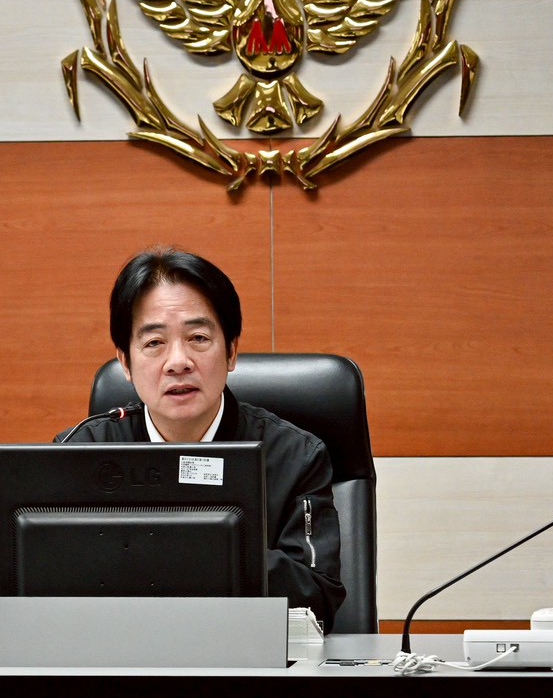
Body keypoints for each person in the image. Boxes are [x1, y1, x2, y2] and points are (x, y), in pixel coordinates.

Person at [59, 247, 346, 630]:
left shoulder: (294, 456)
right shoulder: (81, 454)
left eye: (197, 337)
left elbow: (318, 596)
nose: (178, 362)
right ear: (125, 362)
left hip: (248, 658)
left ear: (231, 352)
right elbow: (50, 590)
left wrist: (201, 545)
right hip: (121, 654)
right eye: (154, 343)